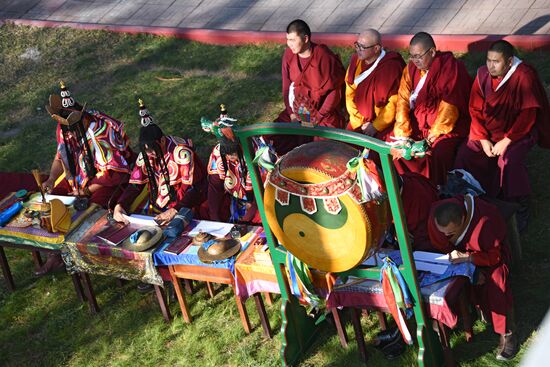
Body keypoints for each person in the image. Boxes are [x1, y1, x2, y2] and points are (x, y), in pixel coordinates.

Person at [36, 81, 134, 276]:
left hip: (106, 180)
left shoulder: (101, 131)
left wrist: (86, 191)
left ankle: (87, 255)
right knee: (52, 203)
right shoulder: (64, 127)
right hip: (78, 176)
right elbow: (59, 157)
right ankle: (54, 255)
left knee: (91, 212)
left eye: (71, 128)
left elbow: (113, 173)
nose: (68, 132)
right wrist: (51, 179)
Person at [455, 40, 550, 230]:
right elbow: (475, 109)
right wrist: (483, 139)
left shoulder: (523, 76)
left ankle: (519, 205)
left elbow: (527, 115)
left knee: (508, 161)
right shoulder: (482, 75)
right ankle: (473, 197)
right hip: (488, 132)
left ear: (509, 62)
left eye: (496, 62)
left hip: (518, 132)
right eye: (489, 60)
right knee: (465, 153)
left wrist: (506, 141)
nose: (490, 65)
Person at [428, 195, 518, 361]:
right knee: (438, 280)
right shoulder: (436, 213)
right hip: (454, 258)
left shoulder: (484, 220)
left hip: (487, 258)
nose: (446, 235)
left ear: (463, 219)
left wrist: (470, 259)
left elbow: (494, 256)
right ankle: (444, 322)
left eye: (450, 233)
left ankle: (507, 332)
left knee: (497, 281)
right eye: (443, 232)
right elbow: (439, 244)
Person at [393, 32, 472, 186]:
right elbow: (402, 98)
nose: (415, 61)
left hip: (447, 127)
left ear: (432, 52)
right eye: (412, 56)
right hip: (419, 122)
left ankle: (436, 188)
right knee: (397, 147)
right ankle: (408, 185)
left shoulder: (451, 68)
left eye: (419, 56)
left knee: (439, 152)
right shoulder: (410, 69)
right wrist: (402, 132)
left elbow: (450, 105)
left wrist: (432, 136)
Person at [113, 99, 206, 226]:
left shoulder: (181, 153)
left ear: (162, 141)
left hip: (185, 200)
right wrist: (120, 204)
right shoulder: (146, 155)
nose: (150, 154)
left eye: (152, 150)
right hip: (160, 199)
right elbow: (135, 184)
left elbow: (194, 187)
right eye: (146, 151)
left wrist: (176, 209)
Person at [270, 19, 346, 155]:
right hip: (297, 110)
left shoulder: (324, 57)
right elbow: (287, 86)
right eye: (288, 39)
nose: (289, 44)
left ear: (305, 38)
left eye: (293, 40)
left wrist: (319, 116)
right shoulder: (288, 55)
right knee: (275, 136)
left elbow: (334, 91)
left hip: (323, 114)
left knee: (322, 150)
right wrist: (291, 113)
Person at [345, 29, 406, 141]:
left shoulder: (391, 66)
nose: (358, 50)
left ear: (376, 48)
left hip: (384, 122)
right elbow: (349, 94)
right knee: (346, 146)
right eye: (357, 45)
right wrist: (358, 121)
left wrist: (375, 126)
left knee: (376, 153)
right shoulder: (356, 63)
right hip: (359, 120)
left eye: (362, 47)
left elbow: (395, 102)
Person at [201, 135, 260, 224]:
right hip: (233, 196)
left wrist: (251, 209)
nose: (230, 156)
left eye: (233, 153)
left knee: (261, 218)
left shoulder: (254, 151)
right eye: (227, 154)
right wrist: (215, 217)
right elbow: (215, 186)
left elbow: (263, 184)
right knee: (208, 209)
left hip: (258, 196)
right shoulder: (218, 153)